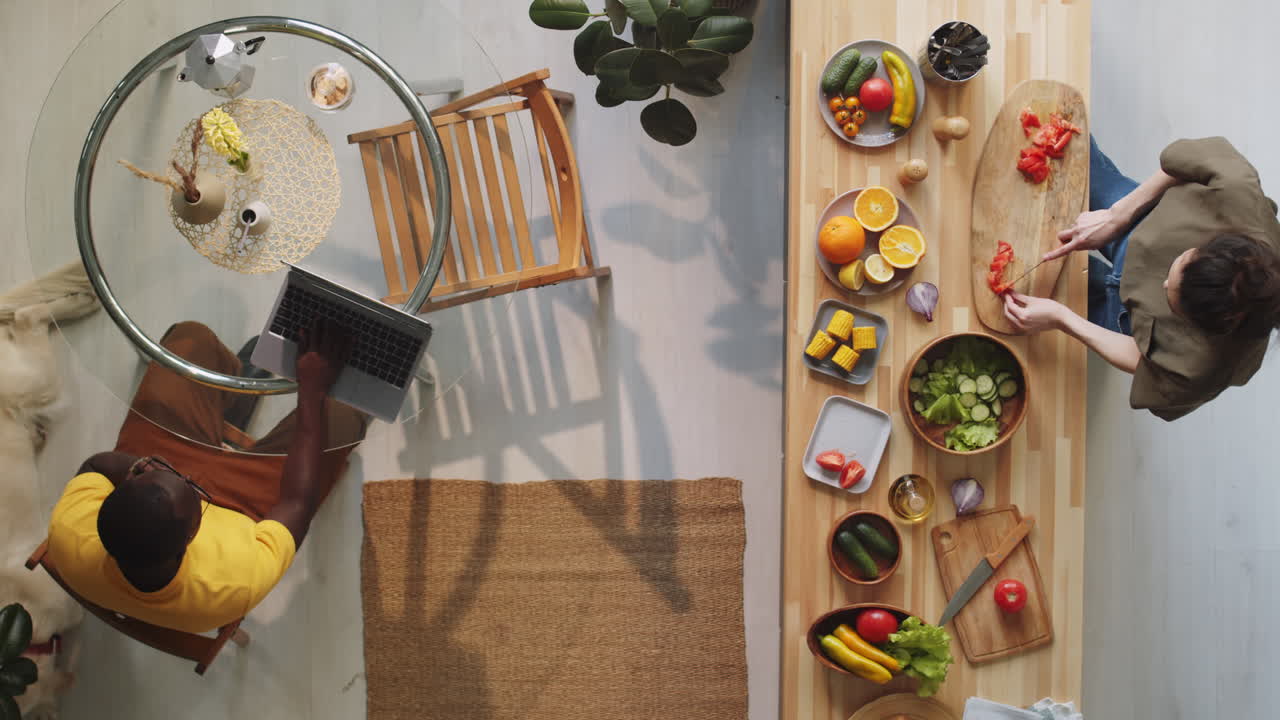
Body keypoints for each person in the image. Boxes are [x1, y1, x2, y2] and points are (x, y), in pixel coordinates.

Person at [46, 320, 367, 634]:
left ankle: (226, 400)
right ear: (192, 535)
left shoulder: (70, 536)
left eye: (151, 474)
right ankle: (226, 410)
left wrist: (142, 463)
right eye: (190, 486)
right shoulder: (233, 584)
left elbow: (94, 466)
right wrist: (312, 390)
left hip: (161, 478)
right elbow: (297, 502)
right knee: (344, 415)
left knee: (191, 338)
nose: (187, 475)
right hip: (241, 507)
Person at [1002, 136, 1280, 421]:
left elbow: (1147, 366)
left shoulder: (1206, 369)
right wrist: (1117, 215)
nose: (1164, 284)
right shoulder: (1239, 197)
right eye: (1178, 265)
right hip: (1138, 218)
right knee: (1063, 148)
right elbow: (1186, 162)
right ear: (1215, 244)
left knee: (1018, 296)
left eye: (1174, 303)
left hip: (1124, 318)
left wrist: (1062, 318)